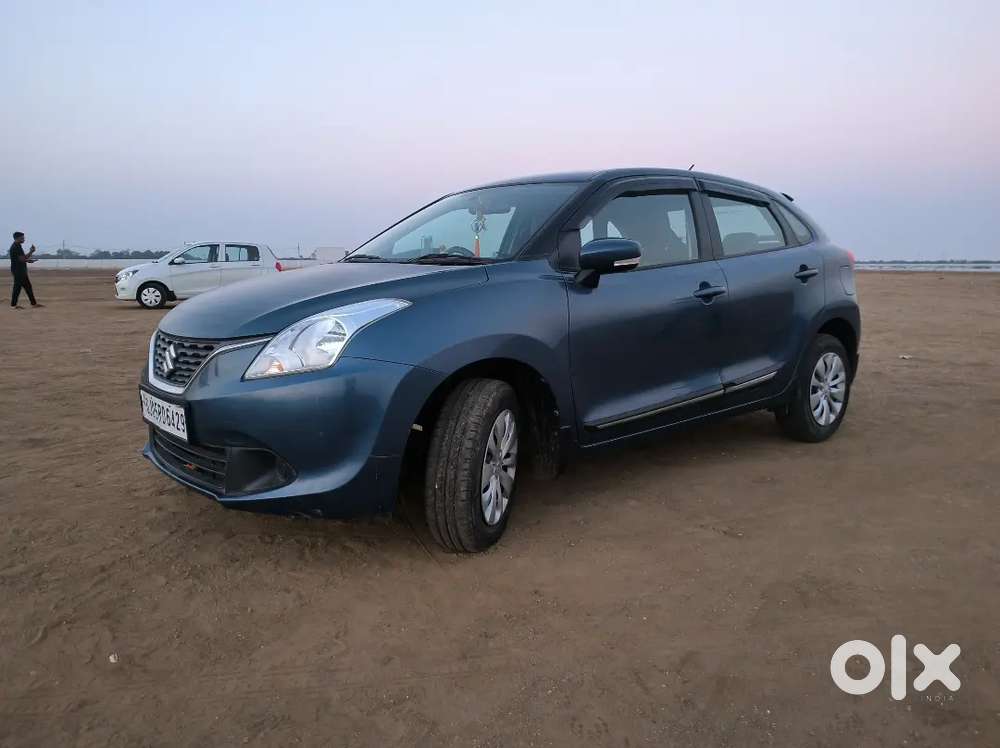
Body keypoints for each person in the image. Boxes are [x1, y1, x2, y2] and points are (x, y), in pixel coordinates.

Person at [9, 231, 43, 309]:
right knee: (17, 288)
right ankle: (13, 305)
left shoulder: (18, 246)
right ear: (17, 238)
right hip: (18, 271)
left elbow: (22, 258)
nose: (24, 239)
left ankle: (33, 304)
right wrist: (30, 254)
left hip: (20, 270)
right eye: (22, 238)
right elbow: (22, 259)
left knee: (27, 287)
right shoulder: (15, 247)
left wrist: (30, 256)